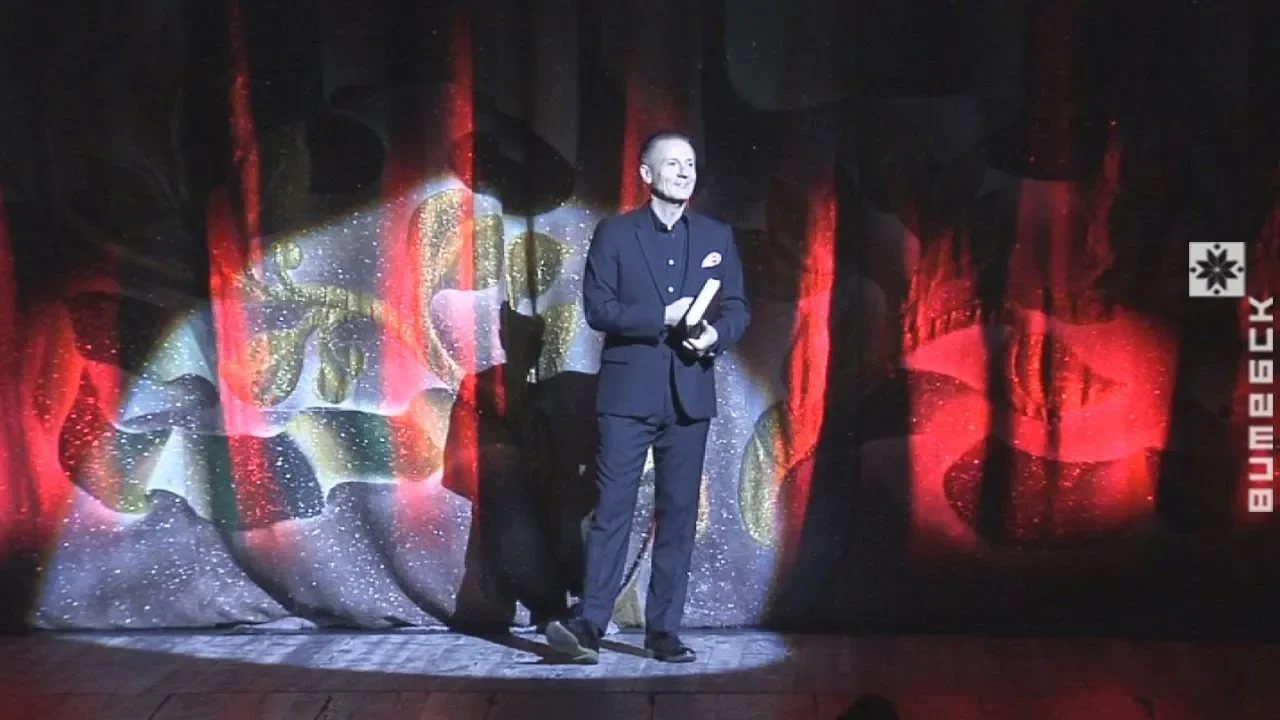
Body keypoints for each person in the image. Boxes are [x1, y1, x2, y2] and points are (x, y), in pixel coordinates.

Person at [545, 130, 750, 663]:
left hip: (689, 396)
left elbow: (737, 309)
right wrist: (662, 316)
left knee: (678, 514)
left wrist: (715, 335)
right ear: (645, 174)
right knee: (612, 510)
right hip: (627, 396)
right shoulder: (615, 234)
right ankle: (590, 623)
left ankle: (664, 631)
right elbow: (599, 309)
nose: (684, 172)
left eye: (690, 164)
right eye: (673, 163)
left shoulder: (716, 236)